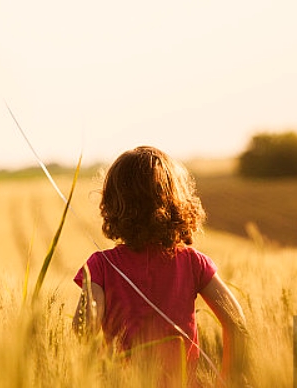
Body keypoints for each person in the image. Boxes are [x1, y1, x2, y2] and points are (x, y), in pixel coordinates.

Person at [72, 146, 248, 387]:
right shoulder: (193, 262)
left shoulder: (101, 266)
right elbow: (236, 321)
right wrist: (230, 379)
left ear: (112, 205)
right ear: (177, 203)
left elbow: (85, 330)